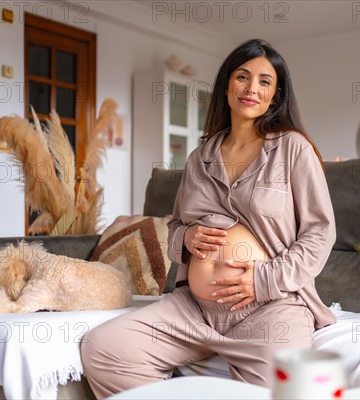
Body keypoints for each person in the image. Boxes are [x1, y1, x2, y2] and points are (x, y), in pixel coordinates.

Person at [81, 38, 336, 399]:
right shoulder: (200, 157)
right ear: (226, 87)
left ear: (275, 96)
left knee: (282, 387)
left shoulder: (293, 149)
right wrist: (185, 238)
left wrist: (262, 281)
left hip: (269, 307)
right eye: (243, 77)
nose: (252, 88)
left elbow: (319, 233)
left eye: (265, 82)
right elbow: (175, 227)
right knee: (104, 349)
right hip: (194, 310)